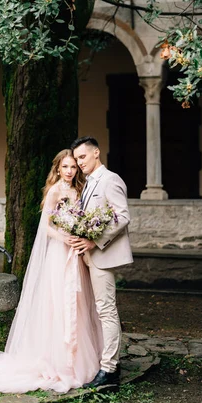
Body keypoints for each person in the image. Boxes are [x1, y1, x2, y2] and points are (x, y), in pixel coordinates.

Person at [0, 149, 103, 394]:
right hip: (59, 253)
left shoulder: (78, 190)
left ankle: (79, 358)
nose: (70, 171)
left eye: (73, 167)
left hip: (77, 254)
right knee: (58, 303)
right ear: (57, 168)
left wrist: (81, 233)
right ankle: (58, 360)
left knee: (78, 302)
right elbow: (46, 227)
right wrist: (64, 237)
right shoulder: (54, 191)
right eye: (65, 167)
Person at [70, 136, 133, 389]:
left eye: (82, 157)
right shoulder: (87, 184)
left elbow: (123, 216)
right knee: (98, 310)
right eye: (76, 159)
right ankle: (103, 361)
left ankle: (110, 371)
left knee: (106, 311)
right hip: (89, 257)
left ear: (96, 153)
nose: (79, 163)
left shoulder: (110, 179)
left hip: (103, 257)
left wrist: (95, 243)